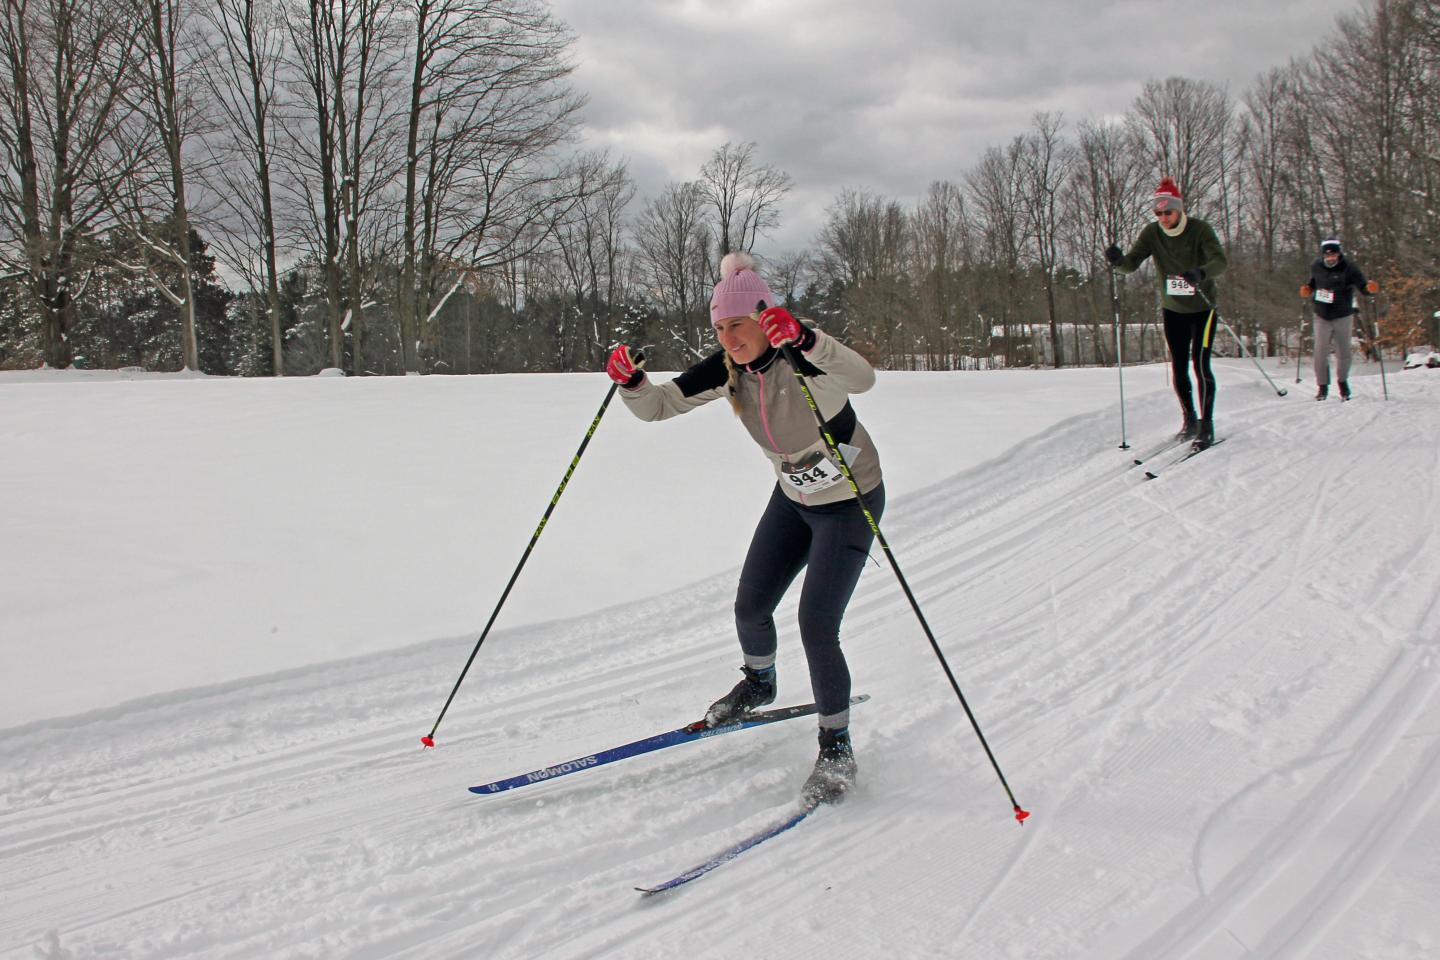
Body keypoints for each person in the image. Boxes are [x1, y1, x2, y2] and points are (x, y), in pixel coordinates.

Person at [604, 251, 885, 807]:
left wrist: (807, 339)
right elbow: (658, 407)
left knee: (816, 623)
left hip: (850, 502)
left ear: (764, 318)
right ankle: (760, 683)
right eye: (719, 327)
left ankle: (836, 747)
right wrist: (631, 382)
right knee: (750, 605)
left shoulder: (804, 360)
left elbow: (865, 378)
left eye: (738, 324)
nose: (729, 337)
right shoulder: (728, 370)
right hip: (794, 500)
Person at [1105, 177, 1229, 450]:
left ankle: (1207, 425)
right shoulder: (1152, 233)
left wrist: (1201, 272)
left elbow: (1220, 261)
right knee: (1179, 366)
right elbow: (1131, 265)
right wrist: (1117, 261)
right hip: (1173, 309)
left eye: (1167, 212)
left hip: (1203, 308)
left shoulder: (1199, 230)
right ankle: (1190, 420)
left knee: (1200, 364)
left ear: (1179, 209)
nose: (1163, 218)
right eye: (1158, 213)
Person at [1300, 237, 1378, 401]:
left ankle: (1343, 383)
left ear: (1338, 254)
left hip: (1342, 314)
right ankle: (1322, 387)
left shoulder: (1349, 267)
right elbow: (1314, 282)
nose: (1330, 258)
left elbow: (1363, 287)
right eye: (1327, 255)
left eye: (1333, 255)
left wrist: (1370, 289)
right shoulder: (1316, 266)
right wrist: (1308, 289)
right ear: (1323, 255)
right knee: (1320, 351)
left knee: (1343, 351)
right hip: (1321, 313)